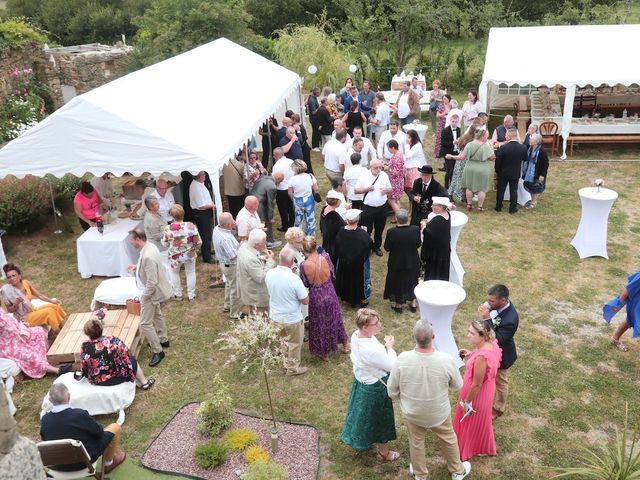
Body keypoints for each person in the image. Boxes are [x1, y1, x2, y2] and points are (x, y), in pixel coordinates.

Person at [387, 321, 471, 480]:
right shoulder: (446, 359)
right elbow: (457, 385)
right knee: (449, 439)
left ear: (413, 337)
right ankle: (457, 471)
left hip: (413, 412)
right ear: (434, 337)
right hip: (439, 412)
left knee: (416, 442)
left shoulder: (402, 359)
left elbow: (391, 390)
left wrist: (402, 398)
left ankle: (420, 475)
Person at [340, 308, 398, 461]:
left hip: (361, 382)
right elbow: (392, 366)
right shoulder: (373, 351)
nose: (379, 325)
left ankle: (360, 438)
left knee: (362, 415)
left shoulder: (355, 335)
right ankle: (384, 454)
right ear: (365, 327)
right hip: (375, 388)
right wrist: (389, 347)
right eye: (375, 323)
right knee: (380, 420)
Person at [40, 383, 126, 474]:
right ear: (68, 396)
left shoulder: (45, 419)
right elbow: (99, 433)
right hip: (84, 462)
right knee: (115, 427)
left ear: (50, 400)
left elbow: (45, 439)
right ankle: (108, 463)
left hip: (57, 466)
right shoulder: (79, 415)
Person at [453, 320, 502, 461]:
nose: (468, 335)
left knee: (471, 421)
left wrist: (467, 401)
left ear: (482, 336)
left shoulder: (481, 358)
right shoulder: (491, 344)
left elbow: (476, 384)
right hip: (488, 388)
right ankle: (481, 445)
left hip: (477, 394)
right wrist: (471, 354)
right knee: (480, 421)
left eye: (472, 333)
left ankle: (471, 446)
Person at [300, 236, 349, 361]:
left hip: (316, 295)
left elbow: (305, 283)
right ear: (316, 246)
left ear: (304, 249)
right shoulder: (326, 257)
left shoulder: (303, 265)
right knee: (335, 318)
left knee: (319, 323)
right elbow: (332, 274)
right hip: (329, 291)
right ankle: (345, 344)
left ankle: (325, 353)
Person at [128, 229, 172, 367]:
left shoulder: (148, 256)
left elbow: (151, 283)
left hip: (151, 293)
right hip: (155, 291)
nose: (130, 243)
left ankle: (158, 351)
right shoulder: (150, 246)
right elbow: (148, 268)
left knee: (145, 323)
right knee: (157, 314)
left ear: (137, 239)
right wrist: (136, 267)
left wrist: (144, 297)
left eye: (131, 240)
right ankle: (163, 339)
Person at [265, 248, 309, 376]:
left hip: (275, 316)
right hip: (292, 318)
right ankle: (292, 368)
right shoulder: (294, 278)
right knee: (295, 343)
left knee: (281, 340)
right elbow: (305, 300)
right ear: (292, 262)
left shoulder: (270, 273)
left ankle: (281, 359)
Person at [478, 284, 519, 419]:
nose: (488, 303)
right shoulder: (497, 306)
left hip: (502, 356)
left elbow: (499, 339)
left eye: (492, 301)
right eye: (488, 300)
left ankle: (498, 408)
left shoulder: (511, 319)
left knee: (501, 383)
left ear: (503, 300)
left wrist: (487, 319)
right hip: (489, 352)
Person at [80, 319, 154, 389]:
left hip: (97, 381)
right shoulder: (113, 340)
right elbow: (127, 352)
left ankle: (140, 382)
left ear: (87, 333)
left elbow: (83, 365)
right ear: (101, 329)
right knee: (132, 359)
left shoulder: (85, 346)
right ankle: (144, 382)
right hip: (118, 378)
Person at [0, 308, 70, 378]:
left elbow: (11, 321)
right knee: (27, 354)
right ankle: (57, 370)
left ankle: (47, 359)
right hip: (8, 345)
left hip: (20, 335)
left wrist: (22, 325)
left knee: (39, 331)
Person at [1, 263, 66, 332]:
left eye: (14, 275)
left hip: (32, 309)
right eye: (9, 277)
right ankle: (58, 332)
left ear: (19, 276)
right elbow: (9, 310)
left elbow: (39, 295)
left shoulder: (25, 283)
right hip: (24, 317)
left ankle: (63, 327)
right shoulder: (6, 291)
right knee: (49, 311)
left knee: (54, 306)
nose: (12, 278)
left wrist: (52, 301)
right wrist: (16, 303)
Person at [447, 127, 494, 212]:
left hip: (470, 167)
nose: (487, 137)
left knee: (469, 187)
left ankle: (469, 204)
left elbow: (461, 157)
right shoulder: (486, 146)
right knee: (482, 188)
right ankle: (480, 206)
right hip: (482, 168)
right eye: (486, 136)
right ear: (482, 136)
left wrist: (451, 156)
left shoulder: (469, 144)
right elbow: (492, 158)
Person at [161, 204, 202, 302]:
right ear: (183, 213)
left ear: (172, 215)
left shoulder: (168, 228)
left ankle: (178, 294)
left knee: (174, 273)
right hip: (189, 254)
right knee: (191, 273)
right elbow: (199, 242)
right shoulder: (191, 226)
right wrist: (194, 248)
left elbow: (164, 244)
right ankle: (191, 295)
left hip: (174, 255)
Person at [383, 209, 421, 313]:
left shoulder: (392, 232)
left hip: (397, 262)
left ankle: (399, 305)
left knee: (397, 282)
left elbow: (387, 248)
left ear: (396, 219)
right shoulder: (415, 229)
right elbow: (418, 244)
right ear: (407, 219)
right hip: (412, 260)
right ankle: (413, 303)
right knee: (413, 280)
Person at [335, 209, 373, 308]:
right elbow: (369, 245)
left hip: (345, 262)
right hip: (358, 264)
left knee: (347, 279)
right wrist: (366, 233)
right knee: (358, 281)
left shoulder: (341, 231)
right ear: (357, 220)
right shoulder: (362, 233)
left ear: (347, 220)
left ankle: (347, 297)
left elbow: (337, 245)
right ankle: (359, 298)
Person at [355, 159, 392, 257]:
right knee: (367, 229)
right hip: (368, 208)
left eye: (380, 167)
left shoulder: (384, 175)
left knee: (379, 229)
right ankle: (367, 247)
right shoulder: (364, 175)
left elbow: (390, 189)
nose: (379, 169)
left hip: (382, 207)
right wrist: (367, 189)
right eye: (376, 168)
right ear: (370, 167)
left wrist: (387, 190)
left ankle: (377, 246)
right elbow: (356, 190)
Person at [236, 229, 275, 313]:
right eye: (264, 242)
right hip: (257, 297)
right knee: (260, 321)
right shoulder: (250, 259)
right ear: (257, 245)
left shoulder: (244, 246)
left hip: (249, 290)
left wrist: (262, 258)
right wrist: (270, 260)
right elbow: (261, 278)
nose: (266, 243)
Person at [211, 212, 241, 320]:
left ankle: (227, 305)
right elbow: (233, 256)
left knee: (229, 284)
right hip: (231, 265)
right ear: (228, 225)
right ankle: (235, 313)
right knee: (235, 288)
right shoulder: (226, 239)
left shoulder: (217, 228)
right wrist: (242, 248)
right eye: (233, 220)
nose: (235, 221)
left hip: (223, 263)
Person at [495, 128, 528, 214]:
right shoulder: (523, 147)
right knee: (514, 190)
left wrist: (497, 171)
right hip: (515, 172)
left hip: (503, 172)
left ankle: (498, 206)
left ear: (509, 136)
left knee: (501, 190)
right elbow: (525, 158)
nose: (505, 136)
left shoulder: (503, 147)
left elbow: (498, 161)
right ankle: (512, 208)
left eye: (506, 135)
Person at [420, 197, 452, 281]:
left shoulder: (438, 219)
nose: (431, 206)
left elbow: (428, 233)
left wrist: (423, 225)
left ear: (440, 207)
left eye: (433, 205)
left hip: (436, 252)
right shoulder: (447, 214)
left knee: (434, 271)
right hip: (443, 248)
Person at [608, 271, 640, 352]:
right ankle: (615, 338)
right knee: (629, 321)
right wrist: (619, 303)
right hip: (637, 306)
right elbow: (629, 288)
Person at [189, 171, 214, 263]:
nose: (205, 176)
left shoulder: (199, 184)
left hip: (205, 212)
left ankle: (208, 250)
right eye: (204, 175)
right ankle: (207, 257)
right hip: (201, 213)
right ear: (198, 176)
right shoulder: (195, 187)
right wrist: (213, 206)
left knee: (208, 232)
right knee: (205, 234)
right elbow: (201, 205)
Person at [447, 125, 477, 203]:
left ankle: (464, 196)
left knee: (462, 179)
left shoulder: (466, 137)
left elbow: (458, 144)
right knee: (459, 179)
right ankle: (451, 194)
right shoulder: (470, 140)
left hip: (464, 161)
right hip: (463, 161)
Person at [288, 160, 318, 236]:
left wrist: (293, 199)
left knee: (298, 220)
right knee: (310, 219)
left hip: (298, 200)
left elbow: (289, 193)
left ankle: (297, 236)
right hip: (309, 200)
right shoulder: (310, 176)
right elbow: (316, 188)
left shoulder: (292, 179)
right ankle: (310, 237)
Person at [250, 174, 281, 248]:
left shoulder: (263, 177)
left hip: (250, 199)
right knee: (264, 222)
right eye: (280, 181)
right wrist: (271, 218)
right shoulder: (272, 186)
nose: (280, 184)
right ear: (278, 178)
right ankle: (269, 242)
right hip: (258, 204)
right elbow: (270, 204)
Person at [522, 133, 549, 210]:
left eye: (532, 139)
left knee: (535, 187)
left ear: (537, 141)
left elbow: (545, 164)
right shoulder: (529, 148)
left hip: (537, 173)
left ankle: (534, 202)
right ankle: (531, 200)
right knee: (530, 186)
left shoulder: (541, 151)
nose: (530, 140)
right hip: (529, 172)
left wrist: (542, 175)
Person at [271, 147, 295, 232]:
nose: (273, 157)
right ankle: (292, 223)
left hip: (281, 189)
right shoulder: (291, 161)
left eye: (274, 155)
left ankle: (285, 225)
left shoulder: (276, 166)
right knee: (291, 207)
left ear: (277, 155)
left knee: (282, 209)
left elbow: (275, 179)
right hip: (291, 188)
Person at [320, 192, 346, 266]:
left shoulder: (324, 209)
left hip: (326, 240)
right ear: (336, 201)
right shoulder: (335, 216)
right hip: (333, 245)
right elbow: (344, 228)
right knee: (333, 263)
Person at [439, 114, 462, 190]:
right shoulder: (445, 130)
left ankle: (452, 185)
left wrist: (459, 143)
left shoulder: (458, 129)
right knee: (449, 170)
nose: (454, 123)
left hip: (455, 152)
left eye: (456, 122)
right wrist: (453, 142)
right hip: (447, 152)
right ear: (450, 121)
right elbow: (443, 143)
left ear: (458, 122)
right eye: (453, 121)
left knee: (454, 170)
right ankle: (446, 186)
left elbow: (458, 139)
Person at [222, 152, 247, 219]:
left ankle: (234, 220)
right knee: (240, 209)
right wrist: (243, 161)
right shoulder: (239, 164)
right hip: (238, 191)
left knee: (232, 208)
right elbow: (245, 172)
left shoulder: (223, 163)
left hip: (228, 190)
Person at [385, 139, 405, 215]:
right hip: (398, 181)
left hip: (395, 182)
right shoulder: (398, 154)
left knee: (391, 201)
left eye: (388, 148)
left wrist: (388, 169)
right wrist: (387, 164)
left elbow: (396, 172)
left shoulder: (397, 157)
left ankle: (399, 216)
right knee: (396, 200)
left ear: (392, 147)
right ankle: (397, 217)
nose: (388, 150)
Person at [435, 93, 451, 158]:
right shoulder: (441, 106)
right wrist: (444, 113)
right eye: (443, 99)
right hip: (442, 123)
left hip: (449, 123)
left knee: (448, 138)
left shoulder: (451, 106)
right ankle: (438, 153)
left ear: (449, 99)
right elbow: (437, 115)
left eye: (445, 99)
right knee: (440, 137)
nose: (444, 100)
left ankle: (447, 151)